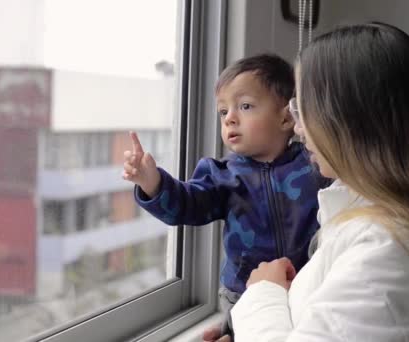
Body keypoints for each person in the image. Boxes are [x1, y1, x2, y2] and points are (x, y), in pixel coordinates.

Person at [230, 22, 409, 341]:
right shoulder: (365, 221)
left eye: (302, 109)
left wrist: (264, 293)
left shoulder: (385, 249)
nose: (298, 128)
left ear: (349, 120)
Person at [121, 54, 330, 338]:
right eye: (223, 112)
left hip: (308, 284)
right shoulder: (221, 174)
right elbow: (186, 204)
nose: (230, 118)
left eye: (245, 106)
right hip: (244, 292)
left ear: (286, 117)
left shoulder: (313, 163)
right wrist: (153, 183)